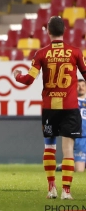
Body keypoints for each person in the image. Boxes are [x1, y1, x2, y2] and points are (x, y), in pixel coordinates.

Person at [13, 16, 86, 200]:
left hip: (49, 108)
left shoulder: (41, 54)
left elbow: (29, 79)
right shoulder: (75, 52)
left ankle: (51, 189)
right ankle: (66, 192)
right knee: (68, 150)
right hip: (70, 107)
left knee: (50, 148)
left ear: (47, 31)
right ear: (65, 31)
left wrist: (17, 75)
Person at [56, 79, 86, 172]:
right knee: (79, 171)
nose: (80, 88)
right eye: (78, 85)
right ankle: (64, 167)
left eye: (83, 85)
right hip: (80, 137)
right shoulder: (70, 101)